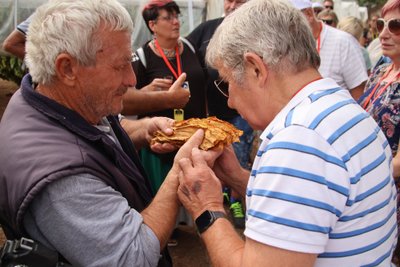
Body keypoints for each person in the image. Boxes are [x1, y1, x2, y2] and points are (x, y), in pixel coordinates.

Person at [176, 0, 398, 265]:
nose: (230, 101)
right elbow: (312, 208)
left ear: (256, 68)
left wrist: (206, 207)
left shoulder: (297, 141)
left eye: (228, 83)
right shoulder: (342, 108)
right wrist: (237, 178)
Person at [0, 0, 218, 265]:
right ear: (67, 68)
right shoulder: (63, 181)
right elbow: (134, 256)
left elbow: (97, 131)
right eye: (119, 66)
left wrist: (143, 129)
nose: (132, 79)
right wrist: (179, 169)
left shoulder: (53, 100)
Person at [123, 0, 207, 195]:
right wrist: (147, 92)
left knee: (196, 190)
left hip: (194, 135)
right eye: (168, 18)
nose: (176, 22)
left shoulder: (189, 46)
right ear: (152, 25)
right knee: (164, 192)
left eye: (177, 16)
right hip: (161, 141)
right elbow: (126, 101)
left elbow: (202, 87)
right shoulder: (142, 57)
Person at [186, 0, 251, 229]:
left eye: (239, 0)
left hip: (244, 114)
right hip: (212, 114)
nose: (233, 4)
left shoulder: (255, 31)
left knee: (239, 158)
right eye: (229, 0)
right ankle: (220, 196)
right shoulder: (207, 30)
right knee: (215, 158)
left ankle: (236, 201)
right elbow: (183, 49)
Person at [357, 0, 400, 261]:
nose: (383, 33)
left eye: (395, 26)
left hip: (389, 194)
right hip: (368, 189)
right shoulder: (381, 71)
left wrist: (352, 174)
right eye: (380, 24)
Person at [292, 0, 368, 101]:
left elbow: (360, 95)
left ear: (309, 14)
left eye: (290, 20)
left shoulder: (344, 42)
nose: (284, 27)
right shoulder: (288, 45)